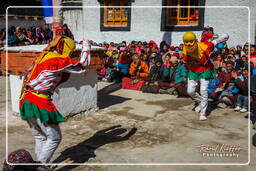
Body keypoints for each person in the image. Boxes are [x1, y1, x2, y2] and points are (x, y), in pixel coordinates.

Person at [19, 36, 91, 165]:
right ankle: (41, 166)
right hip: (39, 102)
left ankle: (40, 164)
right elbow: (82, 66)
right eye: (71, 50)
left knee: (40, 136)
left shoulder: (44, 55)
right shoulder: (58, 60)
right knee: (54, 138)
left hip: (27, 99)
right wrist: (86, 47)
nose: (70, 54)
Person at [182, 32, 217, 121]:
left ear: (195, 40)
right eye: (186, 42)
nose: (189, 44)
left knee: (203, 91)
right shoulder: (185, 48)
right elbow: (186, 61)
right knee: (190, 91)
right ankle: (201, 102)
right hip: (194, 70)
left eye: (191, 41)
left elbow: (213, 44)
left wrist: (219, 39)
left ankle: (203, 113)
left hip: (205, 70)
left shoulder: (204, 46)